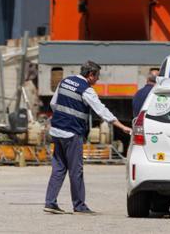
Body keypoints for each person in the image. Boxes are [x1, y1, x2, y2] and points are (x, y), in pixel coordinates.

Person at [44, 61, 131, 215]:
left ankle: (50, 202)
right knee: (76, 170)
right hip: (72, 133)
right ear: (91, 75)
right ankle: (79, 206)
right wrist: (122, 126)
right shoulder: (86, 90)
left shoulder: (65, 81)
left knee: (59, 168)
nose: (98, 79)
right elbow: (101, 111)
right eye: (97, 76)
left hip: (57, 131)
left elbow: (53, 104)